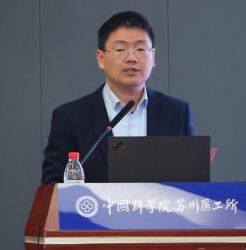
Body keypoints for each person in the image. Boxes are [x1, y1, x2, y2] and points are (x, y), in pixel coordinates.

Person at [41, 11, 194, 184]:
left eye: (140, 49)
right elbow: (52, 185)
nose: (131, 58)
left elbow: (193, 183)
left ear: (153, 57)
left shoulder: (177, 114)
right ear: (101, 58)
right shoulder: (71, 117)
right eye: (120, 49)